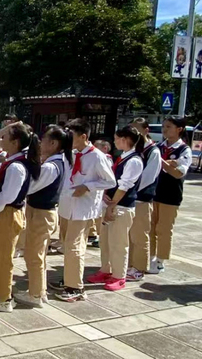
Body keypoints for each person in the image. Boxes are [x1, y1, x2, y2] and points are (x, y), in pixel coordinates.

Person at [51, 118, 115, 302]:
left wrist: (88, 186)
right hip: (67, 206)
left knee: (75, 247)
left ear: (83, 136)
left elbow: (110, 181)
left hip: (82, 208)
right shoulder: (70, 153)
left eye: (71, 135)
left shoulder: (96, 156)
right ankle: (70, 278)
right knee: (68, 247)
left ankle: (75, 287)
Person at [0, 123, 40, 312]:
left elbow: (7, 197)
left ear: (15, 142)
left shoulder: (17, 166)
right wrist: (13, 126)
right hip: (1, 211)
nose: (1, 139)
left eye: (7, 137)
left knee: (2, 257)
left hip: (7, 212)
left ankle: (3, 298)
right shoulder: (12, 159)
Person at [15, 125, 71, 308]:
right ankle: (39, 291)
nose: (40, 143)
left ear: (53, 143)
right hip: (41, 212)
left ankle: (36, 294)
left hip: (41, 213)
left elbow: (31, 187)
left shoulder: (50, 166)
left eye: (43, 140)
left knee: (34, 255)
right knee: (38, 254)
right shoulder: (58, 161)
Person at [87, 126, 144, 292]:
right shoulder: (123, 158)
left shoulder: (134, 160)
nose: (114, 141)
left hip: (122, 207)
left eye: (116, 138)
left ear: (124, 139)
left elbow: (125, 185)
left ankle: (119, 275)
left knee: (119, 243)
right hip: (111, 204)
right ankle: (106, 269)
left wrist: (112, 205)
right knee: (105, 241)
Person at [148, 116, 192, 274]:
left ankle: (160, 260)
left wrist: (163, 163)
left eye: (168, 126)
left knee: (164, 228)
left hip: (171, 195)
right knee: (150, 227)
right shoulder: (158, 147)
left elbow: (178, 173)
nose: (164, 130)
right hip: (154, 192)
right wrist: (169, 163)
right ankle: (150, 257)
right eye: (164, 126)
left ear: (179, 129)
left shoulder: (184, 149)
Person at [127, 118, 162, 280]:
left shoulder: (153, 151)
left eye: (136, 129)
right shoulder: (134, 149)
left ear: (145, 130)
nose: (134, 133)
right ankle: (129, 264)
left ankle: (140, 267)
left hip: (142, 197)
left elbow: (148, 177)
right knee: (129, 234)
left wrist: (130, 189)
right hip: (130, 197)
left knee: (140, 234)